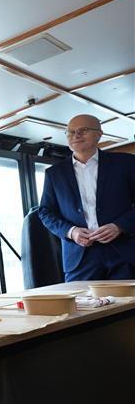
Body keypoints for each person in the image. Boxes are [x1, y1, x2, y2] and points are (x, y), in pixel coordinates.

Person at [39, 114, 135, 281]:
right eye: (70, 132)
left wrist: (120, 226)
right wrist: (71, 232)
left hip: (124, 253)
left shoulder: (127, 163)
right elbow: (45, 212)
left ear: (99, 134)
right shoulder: (54, 174)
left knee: (128, 307)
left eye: (83, 130)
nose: (76, 135)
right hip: (79, 258)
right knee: (81, 307)